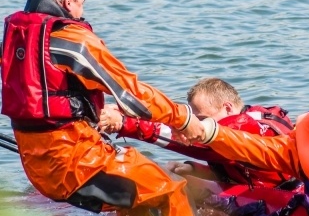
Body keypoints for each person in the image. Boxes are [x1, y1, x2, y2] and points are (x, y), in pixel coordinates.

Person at [0, 0, 205, 216]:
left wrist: (84, 108)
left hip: (38, 169)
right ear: (68, 1)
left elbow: (43, 95)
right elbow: (132, 94)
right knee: (171, 190)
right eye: (82, 3)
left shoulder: (13, 42)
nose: (82, 11)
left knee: (138, 192)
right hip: (78, 167)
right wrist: (183, 119)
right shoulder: (73, 41)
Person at [98, 77, 295, 188]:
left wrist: (124, 123)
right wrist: (195, 169)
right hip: (261, 190)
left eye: (201, 119)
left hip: (286, 197)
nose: (195, 125)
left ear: (227, 107)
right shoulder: (245, 120)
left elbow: (193, 139)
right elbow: (242, 168)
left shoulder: (249, 127)